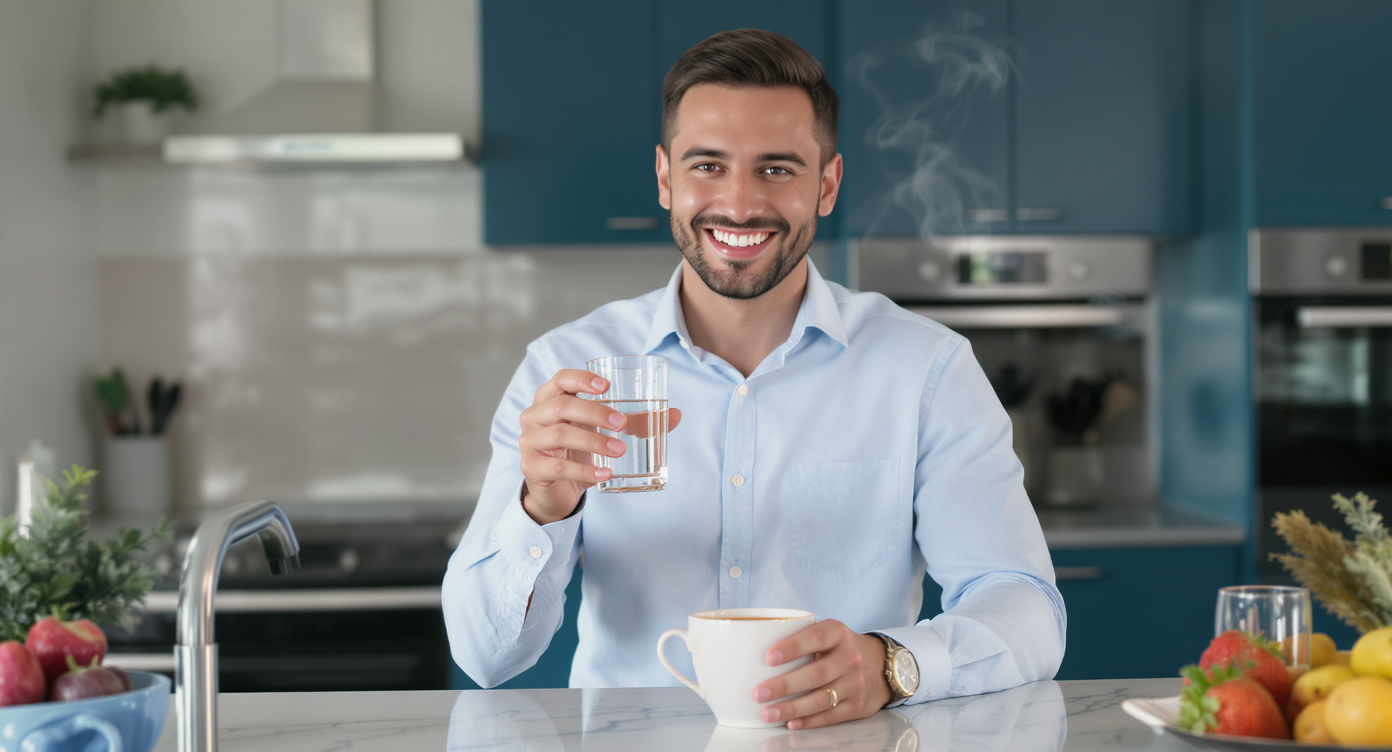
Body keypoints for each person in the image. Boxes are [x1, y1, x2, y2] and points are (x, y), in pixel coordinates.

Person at [444, 28, 1065, 730]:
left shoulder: (926, 369)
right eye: (708, 165)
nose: (739, 205)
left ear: (826, 184)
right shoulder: (568, 370)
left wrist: (894, 663)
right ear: (664, 178)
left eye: (776, 169)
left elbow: (1024, 605)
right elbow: (486, 658)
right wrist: (542, 510)